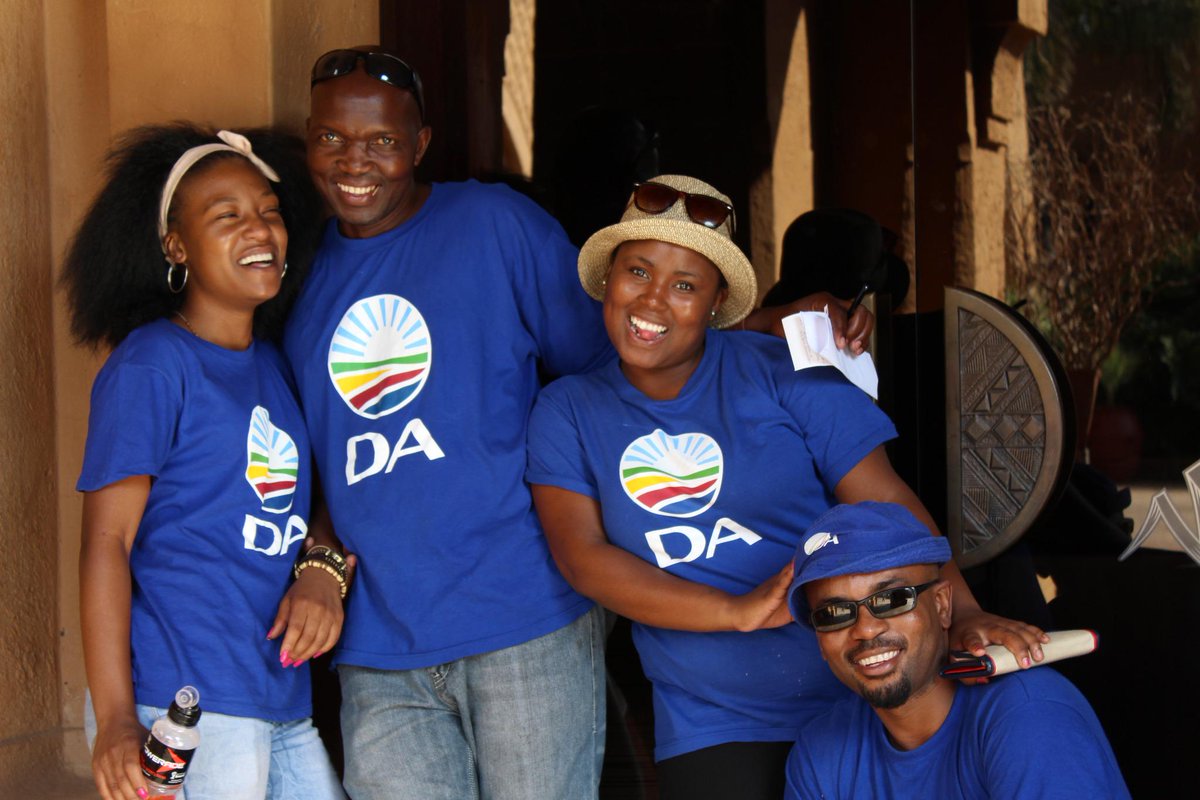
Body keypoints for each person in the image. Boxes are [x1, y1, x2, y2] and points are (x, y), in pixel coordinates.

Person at [282, 47, 868, 800]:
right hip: (379, 641)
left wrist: (768, 323)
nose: (354, 161)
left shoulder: (494, 224)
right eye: (331, 138)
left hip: (525, 614)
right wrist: (321, 562)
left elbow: (628, 345)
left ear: (420, 144)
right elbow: (315, 462)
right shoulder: (294, 280)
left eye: (382, 140)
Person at [525, 174, 1049, 800]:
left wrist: (963, 612)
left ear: (717, 302)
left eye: (685, 285)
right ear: (608, 278)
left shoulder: (785, 375)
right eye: (637, 271)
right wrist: (737, 611)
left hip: (861, 687)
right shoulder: (567, 411)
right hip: (713, 720)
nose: (654, 300)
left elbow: (886, 504)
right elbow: (583, 559)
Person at [65, 124, 348, 800]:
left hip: (277, 697)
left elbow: (321, 498)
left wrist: (322, 567)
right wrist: (114, 718)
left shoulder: (276, 367)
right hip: (179, 706)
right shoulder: (152, 364)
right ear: (177, 246)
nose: (259, 229)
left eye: (269, 212)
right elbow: (107, 543)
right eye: (227, 216)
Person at [785, 502, 1130, 799]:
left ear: (942, 605)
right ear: (820, 641)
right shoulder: (822, 750)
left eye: (892, 599)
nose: (865, 629)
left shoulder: (1029, 714)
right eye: (834, 614)